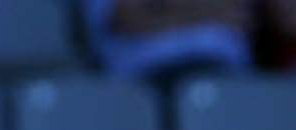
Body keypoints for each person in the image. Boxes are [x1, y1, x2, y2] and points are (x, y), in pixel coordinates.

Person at [82, 0, 252, 86]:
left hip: (224, 73)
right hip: (142, 80)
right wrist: (200, 11)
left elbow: (233, 14)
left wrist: (161, 7)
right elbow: (129, 16)